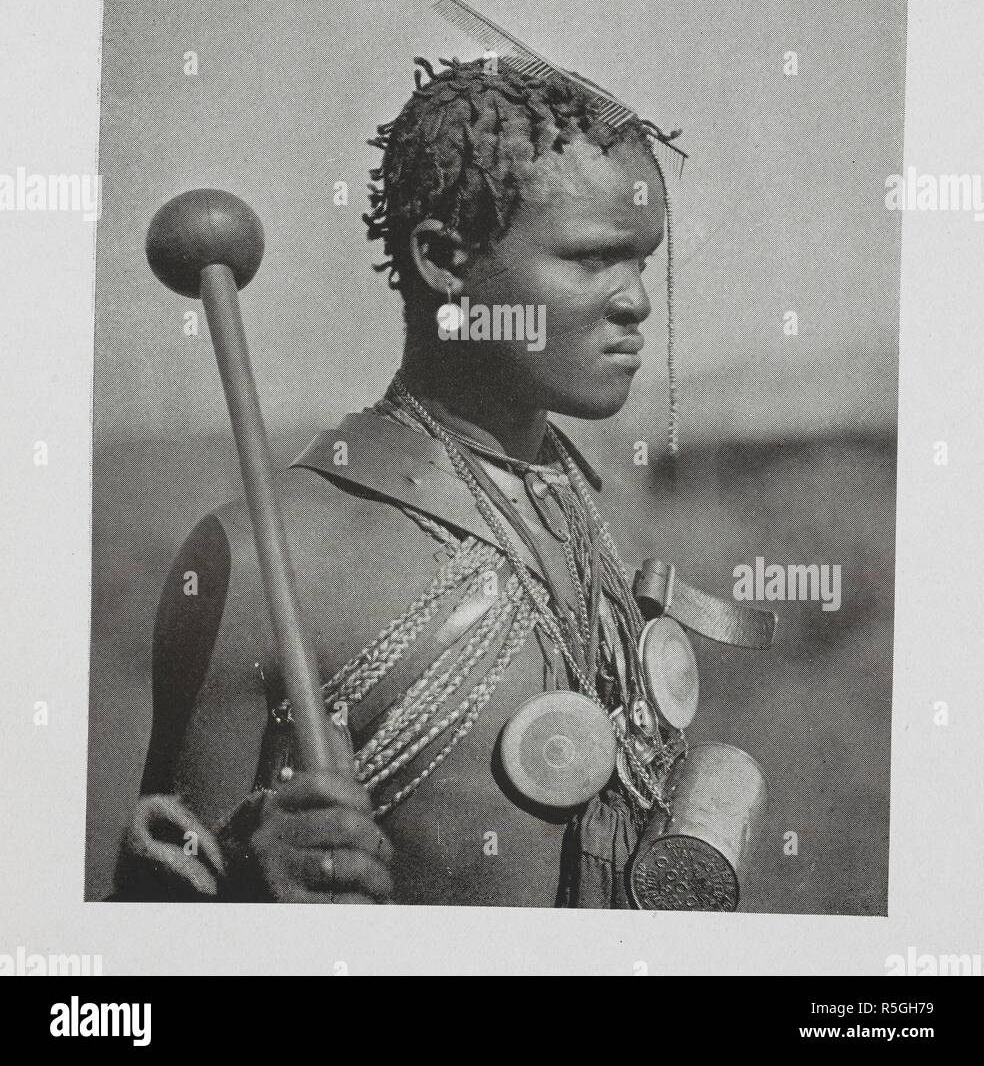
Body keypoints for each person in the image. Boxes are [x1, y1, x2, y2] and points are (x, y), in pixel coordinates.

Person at [116, 53, 743, 907]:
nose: (633, 300)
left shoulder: (575, 508)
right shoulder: (269, 560)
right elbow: (144, 939)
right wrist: (247, 884)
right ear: (448, 261)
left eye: (642, 261)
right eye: (592, 259)